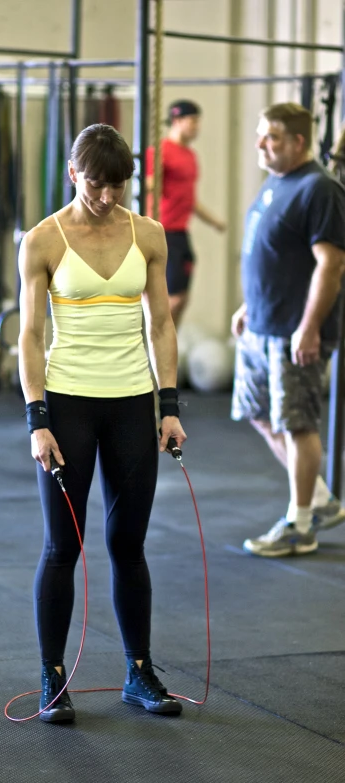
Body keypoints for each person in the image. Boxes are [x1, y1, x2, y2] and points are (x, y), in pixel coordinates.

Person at [18, 124, 187, 723]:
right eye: (96, 184)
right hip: (67, 405)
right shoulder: (42, 240)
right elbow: (31, 336)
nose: (107, 196)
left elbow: (162, 325)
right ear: (72, 173)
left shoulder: (150, 234)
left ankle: (139, 673)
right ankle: (52, 678)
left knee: (128, 544)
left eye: (117, 185)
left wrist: (169, 406)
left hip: (131, 404)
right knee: (63, 546)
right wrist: (38, 418)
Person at [231, 102, 345, 557]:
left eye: (272, 137)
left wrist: (310, 327)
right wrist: (248, 305)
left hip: (292, 332)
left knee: (297, 424)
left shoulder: (320, 189)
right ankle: (319, 499)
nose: (261, 144)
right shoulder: (277, 183)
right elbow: (275, 254)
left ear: (298, 142)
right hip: (260, 324)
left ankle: (301, 525)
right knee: (259, 413)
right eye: (260, 135)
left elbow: (331, 264)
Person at [146, 99, 226, 327]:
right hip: (163, 231)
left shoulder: (190, 156)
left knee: (183, 298)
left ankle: (170, 349)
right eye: (192, 121)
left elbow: (189, 200)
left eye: (197, 122)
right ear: (177, 121)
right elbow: (149, 186)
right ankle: (158, 352)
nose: (196, 127)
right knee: (173, 299)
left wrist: (214, 222)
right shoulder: (159, 152)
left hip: (181, 233)